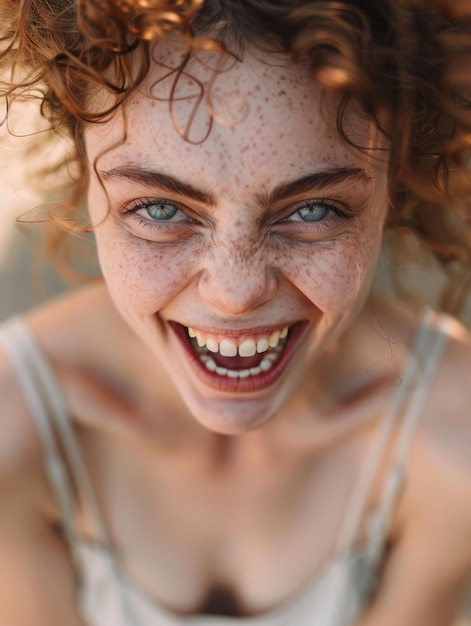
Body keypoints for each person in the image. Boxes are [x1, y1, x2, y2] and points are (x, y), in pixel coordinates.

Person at [1, 0, 471, 624]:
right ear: (84, 177)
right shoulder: (14, 431)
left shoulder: (450, 436)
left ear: (394, 185)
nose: (235, 291)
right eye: (162, 209)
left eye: (313, 210)